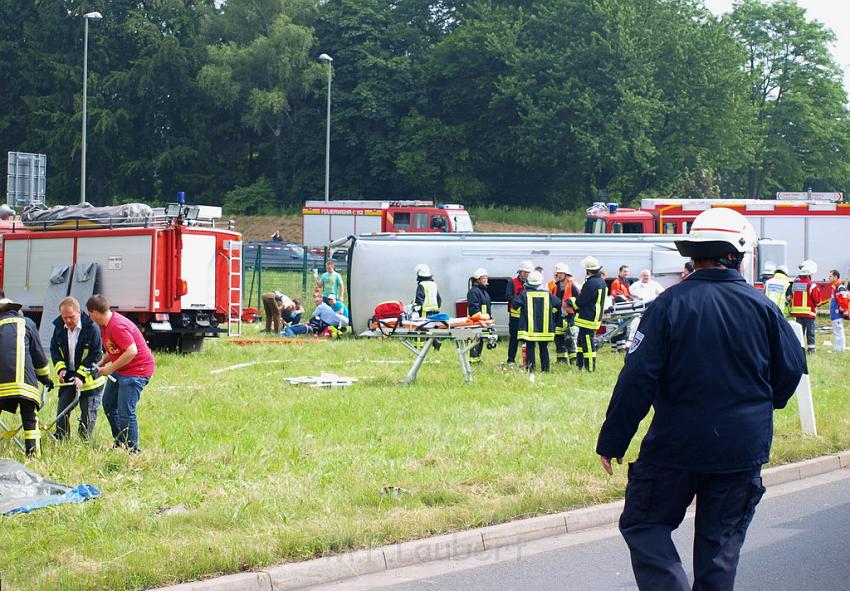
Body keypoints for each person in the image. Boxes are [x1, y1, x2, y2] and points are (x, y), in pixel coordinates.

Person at [596, 208, 807, 591]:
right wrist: (759, 406)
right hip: (741, 448)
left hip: (675, 446)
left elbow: (638, 377)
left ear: (693, 255)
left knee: (645, 524)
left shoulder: (667, 305)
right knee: (719, 547)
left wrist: (613, 440)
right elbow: (791, 371)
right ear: (739, 255)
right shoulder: (765, 309)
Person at [86, 294, 156, 454]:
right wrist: (103, 362)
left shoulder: (117, 325)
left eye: (90, 314)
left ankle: (133, 450)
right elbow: (115, 348)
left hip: (137, 371)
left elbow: (131, 351)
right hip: (123, 369)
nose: (90, 317)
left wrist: (109, 369)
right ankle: (120, 442)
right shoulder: (105, 325)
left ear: (94, 312)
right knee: (109, 403)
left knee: (126, 411)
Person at [0, 297, 53, 457]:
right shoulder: (27, 324)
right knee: (30, 419)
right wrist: (45, 378)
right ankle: (33, 455)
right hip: (26, 385)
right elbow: (39, 357)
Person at [50, 297, 105, 440]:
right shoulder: (59, 328)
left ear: (79, 313)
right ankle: (61, 440)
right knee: (61, 413)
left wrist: (80, 376)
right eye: (64, 317)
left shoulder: (92, 328)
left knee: (87, 417)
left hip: (90, 381)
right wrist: (61, 369)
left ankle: (83, 445)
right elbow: (54, 350)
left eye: (71, 317)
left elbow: (95, 354)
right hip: (69, 379)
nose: (68, 321)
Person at [513, 271, 560, 372]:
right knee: (544, 348)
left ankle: (531, 369)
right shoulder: (548, 295)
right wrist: (553, 312)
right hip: (545, 329)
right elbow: (559, 304)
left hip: (529, 329)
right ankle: (546, 369)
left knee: (530, 348)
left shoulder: (524, 294)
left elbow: (515, 305)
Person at [568, 256, 608, 372]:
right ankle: (580, 366)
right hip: (594, 317)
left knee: (588, 345)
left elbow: (581, 301)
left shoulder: (590, 283)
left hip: (587, 319)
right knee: (581, 343)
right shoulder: (601, 282)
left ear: (588, 270)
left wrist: (571, 301)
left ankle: (590, 368)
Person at [548, 263, 579, 363]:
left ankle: (574, 359)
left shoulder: (573, 286)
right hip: (558, 316)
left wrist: (570, 302)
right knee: (558, 338)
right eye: (557, 273)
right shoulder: (555, 287)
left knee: (570, 339)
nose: (558, 275)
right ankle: (561, 359)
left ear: (565, 274)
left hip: (570, 316)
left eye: (560, 273)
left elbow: (579, 300)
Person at [790, 260, 823, 353]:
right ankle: (811, 350)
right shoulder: (812, 285)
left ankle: (799, 350)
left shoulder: (795, 284)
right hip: (809, 313)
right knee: (810, 332)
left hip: (798, 313)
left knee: (800, 332)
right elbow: (818, 301)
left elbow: (792, 296)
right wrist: (819, 304)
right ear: (809, 275)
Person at [505, 261, 533, 366]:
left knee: (527, 339)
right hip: (515, 316)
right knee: (514, 339)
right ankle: (511, 360)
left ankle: (527, 361)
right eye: (524, 272)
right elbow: (508, 296)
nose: (526, 274)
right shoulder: (512, 282)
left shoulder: (531, 283)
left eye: (528, 272)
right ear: (520, 272)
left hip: (527, 316)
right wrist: (518, 301)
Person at [467, 268, 492, 364]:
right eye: (484, 278)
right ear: (477, 280)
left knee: (480, 341)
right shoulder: (474, 292)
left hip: (482, 322)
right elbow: (474, 309)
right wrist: (482, 318)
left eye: (486, 278)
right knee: (475, 341)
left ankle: (477, 360)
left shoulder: (484, 292)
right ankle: (473, 361)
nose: (486, 280)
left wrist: (489, 318)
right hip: (476, 322)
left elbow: (487, 307)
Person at [609, 265, 632, 352]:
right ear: (620, 272)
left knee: (624, 328)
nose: (626, 273)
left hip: (626, 308)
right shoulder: (616, 282)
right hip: (621, 308)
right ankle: (619, 348)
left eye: (627, 271)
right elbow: (615, 295)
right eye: (625, 271)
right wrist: (626, 299)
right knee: (621, 328)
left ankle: (616, 349)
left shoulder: (626, 282)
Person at [828, 270, 846, 352]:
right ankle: (837, 349)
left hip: (837, 314)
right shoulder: (835, 286)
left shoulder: (840, 287)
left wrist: (840, 309)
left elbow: (844, 299)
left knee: (839, 331)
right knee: (836, 332)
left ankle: (841, 349)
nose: (829, 277)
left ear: (836, 277)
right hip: (834, 314)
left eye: (830, 276)